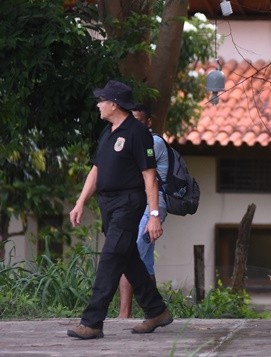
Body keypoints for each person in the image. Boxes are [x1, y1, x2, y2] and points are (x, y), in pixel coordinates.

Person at [67, 80, 172, 339]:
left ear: (114, 104)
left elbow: (150, 176)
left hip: (129, 203)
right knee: (128, 258)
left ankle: (92, 322)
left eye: (102, 100)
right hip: (108, 204)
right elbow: (96, 169)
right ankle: (156, 310)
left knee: (111, 257)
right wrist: (80, 202)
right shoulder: (108, 131)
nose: (98, 104)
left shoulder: (137, 133)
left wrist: (154, 215)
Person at [117, 104, 169, 319]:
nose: (134, 125)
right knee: (144, 261)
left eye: (139, 121)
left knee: (128, 256)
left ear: (148, 123)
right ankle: (155, 310)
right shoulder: (140, 141)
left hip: (152, 205)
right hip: (144, 205)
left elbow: (133, 173)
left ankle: (124, 313)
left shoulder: (152, 142)